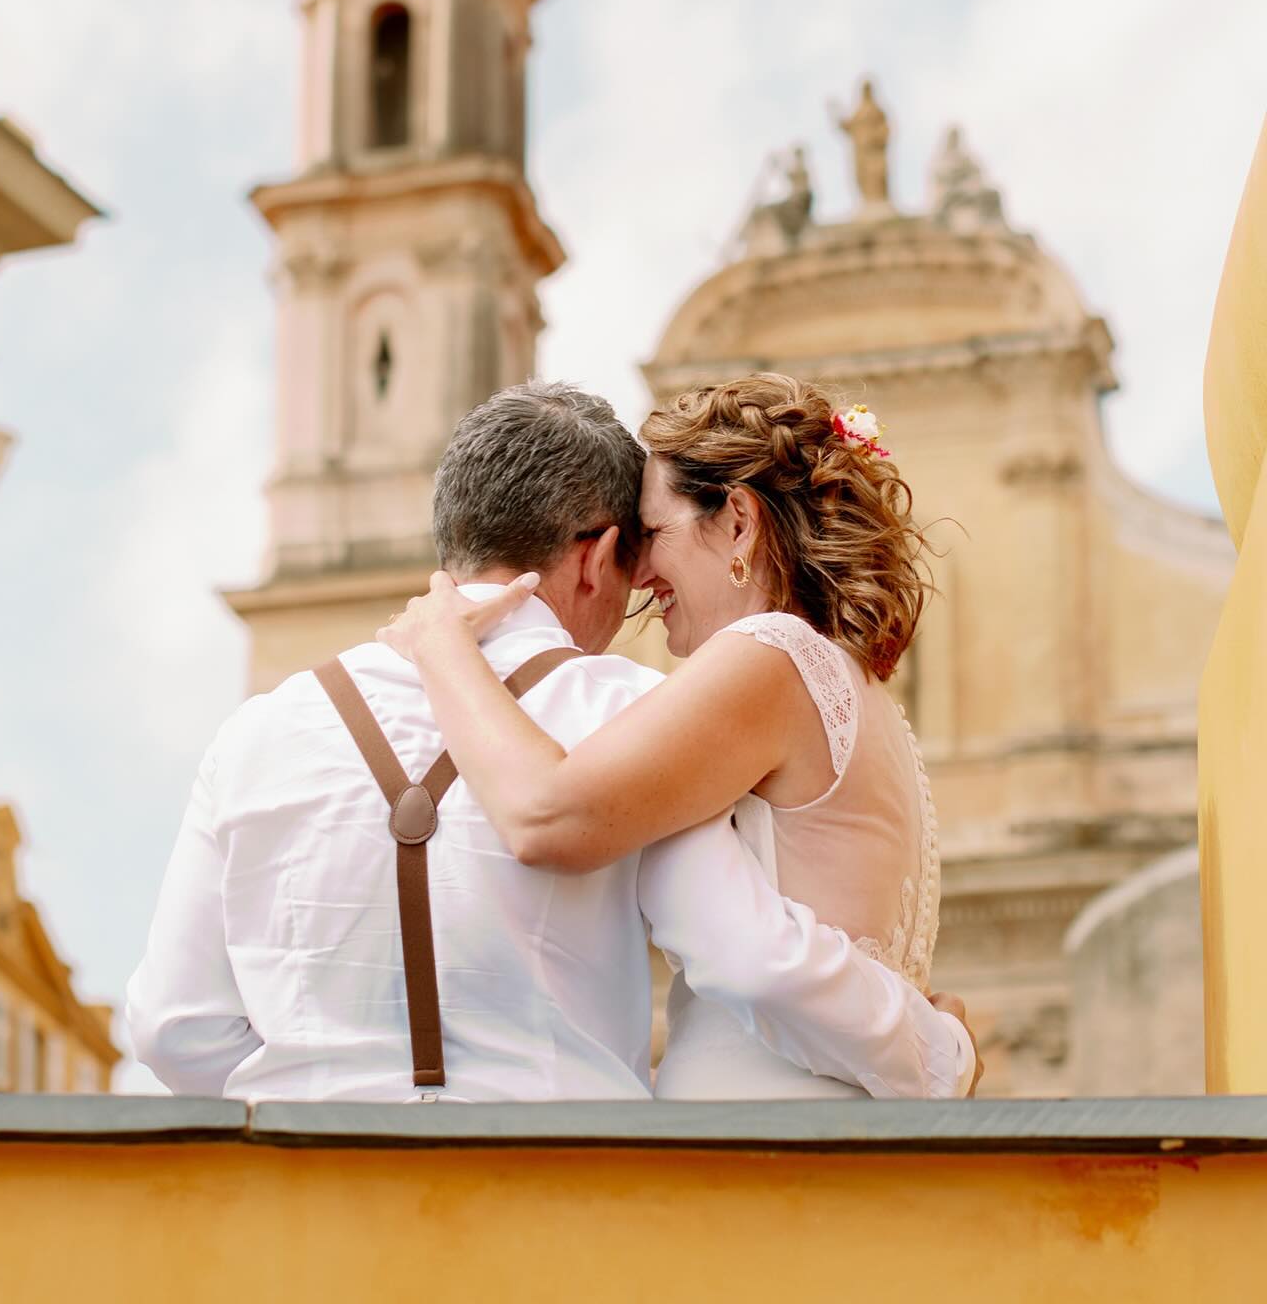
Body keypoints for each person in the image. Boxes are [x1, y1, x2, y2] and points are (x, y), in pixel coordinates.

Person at [128, 381, 978, 1102]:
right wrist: (938, 1048)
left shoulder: (257, 732)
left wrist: (327, 1099)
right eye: (635, 546)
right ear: (595, 554)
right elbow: (739, 944)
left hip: (307, 1209)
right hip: (566, 1197)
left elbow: (172, 1028)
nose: (644, 580)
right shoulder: (632, 709)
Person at [378, 373, 960, 1099]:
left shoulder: (771, 654)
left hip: (757, 1147)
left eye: (653, 534)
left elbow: (548, 814)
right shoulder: (855, 690)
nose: (642, 573)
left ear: (739, 522)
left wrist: (442, 646)